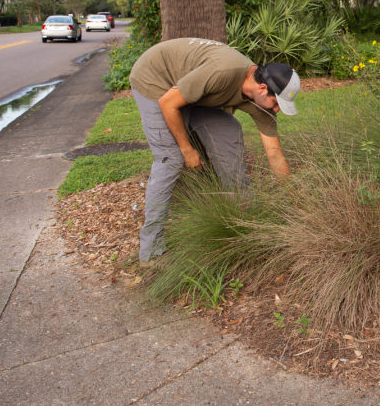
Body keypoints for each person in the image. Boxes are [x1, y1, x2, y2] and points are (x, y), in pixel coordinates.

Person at [128, 38, 301, 265]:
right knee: (171, 159)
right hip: (156, 79)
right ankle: (151, 250)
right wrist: (187, 149)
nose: (277, 109)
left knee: (229, 130)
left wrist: (296, 203)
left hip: (189, 87)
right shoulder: (223, 72)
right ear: (262, 88)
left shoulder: (259, 101)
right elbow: (168, 103)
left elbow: (275, 155)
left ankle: (241, 214)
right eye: (276, 102)